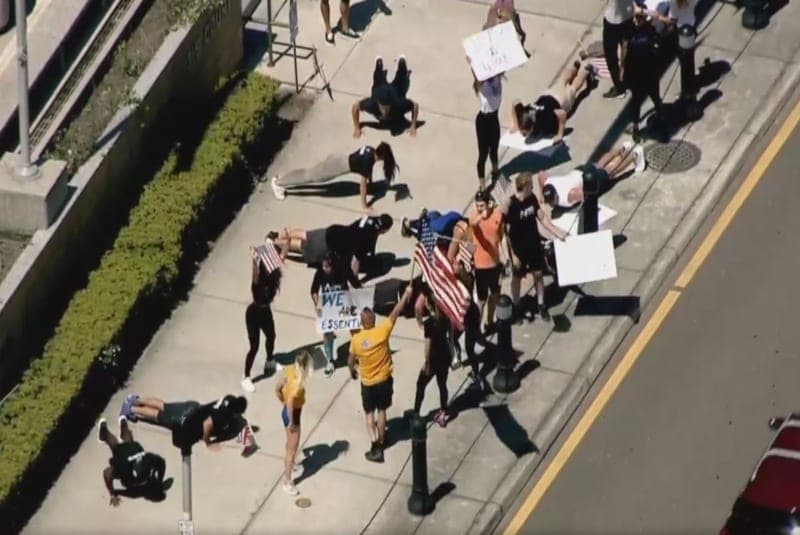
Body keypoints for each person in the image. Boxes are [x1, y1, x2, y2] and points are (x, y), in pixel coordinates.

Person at [348, 284, 414, 463]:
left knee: (369, 414)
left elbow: (350, 359)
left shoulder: (357, 340)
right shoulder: (382, 332)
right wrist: (406, 295)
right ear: (374, 321)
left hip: (368, 383)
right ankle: (382, 441)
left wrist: (352, 370)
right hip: (384, 380)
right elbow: (395, 312)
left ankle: (374, 444)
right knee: (382, 411)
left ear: (362, 323)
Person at [504, 172, 567, 321]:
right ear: (525, 187)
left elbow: (542, 217)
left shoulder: (531, 199)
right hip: (518, 248)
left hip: (533, 244)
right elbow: (506, 233)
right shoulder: (512, 205)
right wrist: (512, 256)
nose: (533, 188)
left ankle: (541, 304)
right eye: (531, 186)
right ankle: (516, 305)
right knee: (517, 277)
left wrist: (557, 233)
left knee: (538, 275)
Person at [270, 143, 399, 212]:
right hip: (335, 167)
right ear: (381, 156)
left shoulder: (370, 150)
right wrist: (365, 205)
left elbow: (368, 172)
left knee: (308, 173)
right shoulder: (368, 161)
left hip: (338, 158)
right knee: (309, 177)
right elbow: (363, 186)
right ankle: (279, 183)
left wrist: (371, 184)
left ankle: (281, 178)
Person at [272, 213, 394, 283]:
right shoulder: (367, 239)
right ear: (385, 230)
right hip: (331, 245)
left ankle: (279, 236)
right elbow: (356, 262)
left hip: (333, 230)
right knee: (302, 246)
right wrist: (356, 281)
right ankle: (277, 243)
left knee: (306, 235)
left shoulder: (370, 218)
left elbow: (372, 234)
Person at [120, 394, 248, 452]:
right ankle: (132, 409)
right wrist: (208, 442)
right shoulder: (223, 414)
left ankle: (135, 400)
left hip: (193, 407)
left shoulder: (229, 398)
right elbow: (207, 424)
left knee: (164, 406)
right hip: (186, 420)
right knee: (158, 415)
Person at [510, 59, 597, 143]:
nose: (523, 135)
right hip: (548, 95)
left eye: (525, 134)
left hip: (561, 100)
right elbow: (515, 102)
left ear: (532, 126)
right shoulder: (525, 113)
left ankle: (585, 69)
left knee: (573, 87)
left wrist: (560, 134)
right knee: (562, 80)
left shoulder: (545, 123)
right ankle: (574, 67)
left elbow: (562, 114)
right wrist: (516, 125)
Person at [539, 142, 646, 209]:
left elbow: (585, 194)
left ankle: (636, 155)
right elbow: (541, 174)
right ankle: (623, 148)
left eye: (552, 200)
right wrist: (541, 194)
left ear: (556, 195)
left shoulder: (567, 197)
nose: (551, 203)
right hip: (578, 171)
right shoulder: (548, 182)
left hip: (587, 179)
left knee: (612, 171)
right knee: (599, 164)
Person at [97, 417, 169, 507]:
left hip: (135, 449)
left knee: (129, 443)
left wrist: (160, 480)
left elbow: (161, 462)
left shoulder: (149, 459)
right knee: (115, 445)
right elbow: (107, 473)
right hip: (123, 458)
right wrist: (112, 493)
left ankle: (123, 423)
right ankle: (104, 430)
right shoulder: (124, 467)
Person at [242, 248, 282, 392]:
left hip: (266, 312)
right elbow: (254, 274)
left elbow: (282, 255)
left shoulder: (273, 280)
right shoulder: (258, 281)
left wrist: (283, 244)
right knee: (254, 347)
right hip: (253, 314)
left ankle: (269, 361)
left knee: (271, 336)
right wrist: (254, 261)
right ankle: (246, 377)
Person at [275, 351, 313, 496]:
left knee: (289, 445)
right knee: (292, 449)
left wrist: (281, 398)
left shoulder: (290, 371)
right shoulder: (298, 385)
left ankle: (291, 465)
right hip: (293, 415)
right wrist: (292, 422)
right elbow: (291, 401)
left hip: (286, 412)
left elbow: (278, 387)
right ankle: (287, 481)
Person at [352, 56, 419, 138]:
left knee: (402, 80)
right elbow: (355, 107)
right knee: (378, 79)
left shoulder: (398, 104)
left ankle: (402, 64)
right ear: (378, 104)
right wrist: (356, 128)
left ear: (391, 105)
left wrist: (413, 126)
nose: (384, 111)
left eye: (386, 108)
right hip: (379, 89)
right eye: (382, 108)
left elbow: (415, 105)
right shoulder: (372, 104)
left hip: (395, 90)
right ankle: (379, 64)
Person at [413, 292, 452, 427]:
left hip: (434, 359)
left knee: (421, 384)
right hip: (445, 356)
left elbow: (428, 347)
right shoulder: (446, 319)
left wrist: (427, 363)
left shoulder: (429, 324)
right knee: (442, 385)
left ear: (429, 305)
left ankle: (416, 413)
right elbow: (451, 337)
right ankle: (443, 413)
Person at [624, 10, 664, 142]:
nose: (636, 20)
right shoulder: (640, 32)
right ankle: (640, 126)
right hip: (644, 75)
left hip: (645, 75)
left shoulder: (643, 34)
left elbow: (628, 60)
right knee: (644, 100)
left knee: (647, 100)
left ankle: (656, 120)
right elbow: (625, 51)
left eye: (639, 18)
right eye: (636, 18)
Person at [469, 189, 504, 335]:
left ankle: (490, 322)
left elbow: (501, 236)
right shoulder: (474, 215)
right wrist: (481, 215)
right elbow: (473, 223)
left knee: (495, 294)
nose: (479, 208)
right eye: (477, 205)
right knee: (481, 299)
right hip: (481, 266)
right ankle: (476, 328)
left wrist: (505, 256)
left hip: (494, 263)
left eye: (482, 205)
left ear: (488, 204)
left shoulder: (497, 215)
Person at [311, 251, 351, 377]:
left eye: (327, 266)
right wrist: (317, 305)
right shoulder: (320, 273)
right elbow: (313, 291)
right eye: (323, 266)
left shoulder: (341, 272)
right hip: (328, 307)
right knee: (327, 333)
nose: (325, 268)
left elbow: (349, 287)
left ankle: (358, 352)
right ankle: (329, 360)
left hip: (341, 304)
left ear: (333, 266)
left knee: (353, 327)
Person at [469, 56, 503, 190]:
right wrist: (472, 64)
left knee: (494, 148)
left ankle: (495, 171)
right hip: (483, 121)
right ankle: (482, 186)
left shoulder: (496, 78)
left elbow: (503, 65)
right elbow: (476, 76)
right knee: (483, 153)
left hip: (494, 118)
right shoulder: (482, 84)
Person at [602, 0, 635, 99]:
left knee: (611, 56)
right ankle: (629, 79)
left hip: (613, 21)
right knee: (627, 51)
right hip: (628, 16)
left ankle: (619, 87)